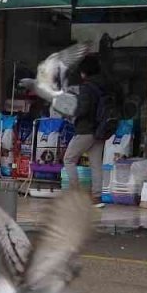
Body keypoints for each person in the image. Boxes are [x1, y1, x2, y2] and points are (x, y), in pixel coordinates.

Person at [62, 55, 110, 200]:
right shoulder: (105, 85)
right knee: (96, 165)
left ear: (84, 72)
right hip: (100, 129)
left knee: (69, 159)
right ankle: (97, 196)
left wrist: (71, 112)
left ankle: (74, 193)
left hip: (86, 130)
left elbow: (83, 109)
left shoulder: (86, 87)